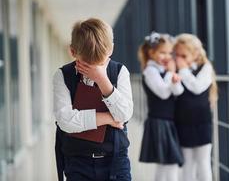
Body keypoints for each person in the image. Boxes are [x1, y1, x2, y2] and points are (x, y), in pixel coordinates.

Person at [53, 18, 133, 181]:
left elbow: (125, 114)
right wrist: (108, 119)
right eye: (88, 65)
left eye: (100, 64)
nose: (94, 70)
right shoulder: (62, 75)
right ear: (73, 52)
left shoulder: (119, 71)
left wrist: (102, 80)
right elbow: (66, 121)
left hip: (115, 160)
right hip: (77, 162)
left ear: (110, 50)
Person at [138, 32, 184, 181]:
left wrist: (173, 78)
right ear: (151, 53)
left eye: (169, 53)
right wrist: (171, 74)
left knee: (165, 165)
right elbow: (164, 93)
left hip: (167, 121)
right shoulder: (150, 71)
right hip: (159, 121)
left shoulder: (163, 71)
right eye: (162, 52)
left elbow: (178, 91)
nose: (167, 56)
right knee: (169, 163)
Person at [174, 33, 218, 181]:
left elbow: (197, 87)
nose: (180, 59)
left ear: (195, 54)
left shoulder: (205, 67)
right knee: (187, 164)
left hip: (201, 122)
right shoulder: (176, 69)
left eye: (184, 56)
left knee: (203, 162)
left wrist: (183, 70)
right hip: (183, 121)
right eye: (177, 55)